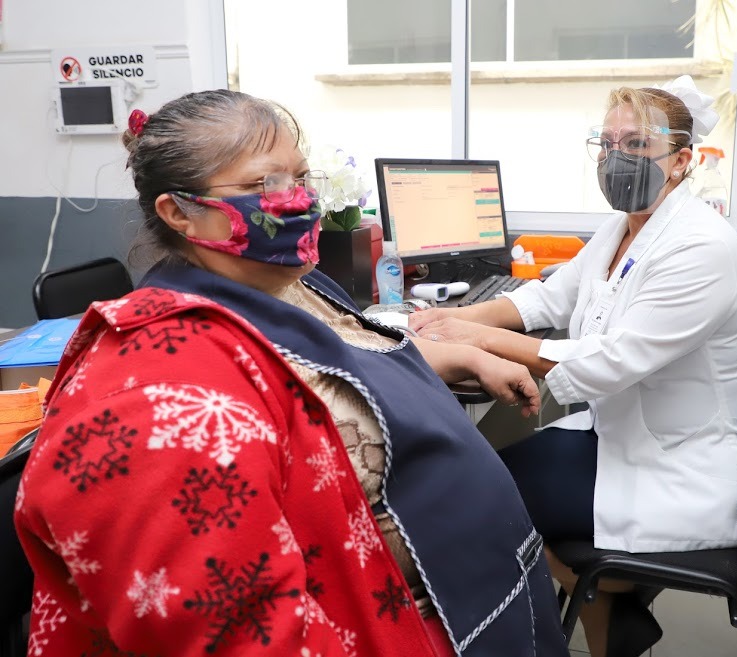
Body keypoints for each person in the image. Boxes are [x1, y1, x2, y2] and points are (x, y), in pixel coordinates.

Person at [14, 90, 569, 657]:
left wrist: (462, 355)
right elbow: (238, 636)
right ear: (179, 212)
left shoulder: (283, 283)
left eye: (301, 178)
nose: (299, 200)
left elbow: (339, 357)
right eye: (266, 185)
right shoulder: (161, 403)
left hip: (476, 596)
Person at [409, 76, 737, 657]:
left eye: (637, 144)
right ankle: (610, 616)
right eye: (608, 143)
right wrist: (449, 318)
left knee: (480, 494)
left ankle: (586, 608)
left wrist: (472, 338)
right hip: (625, 437)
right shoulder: (622, 228)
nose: (616, 158)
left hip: (681, 467)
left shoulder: (702, 247)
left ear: (682, 161)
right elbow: (548, 299)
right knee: (486, 472)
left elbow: (610, 363)